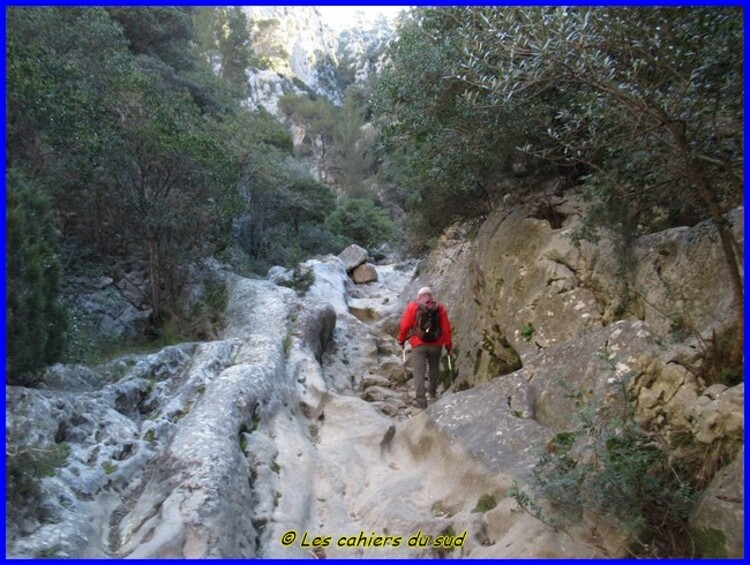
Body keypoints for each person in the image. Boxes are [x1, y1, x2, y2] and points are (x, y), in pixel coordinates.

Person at [397, 286, 453, 409]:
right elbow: (446, 328)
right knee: (434, 367)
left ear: (419, 296)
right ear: (431, 296)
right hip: (436, 344)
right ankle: (432, 393)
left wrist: (401, 340)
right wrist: (448, 345)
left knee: (419, 372)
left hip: (419, 344)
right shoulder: (439, 307)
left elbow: (405, 325)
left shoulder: (413, 306)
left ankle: (421, 402)